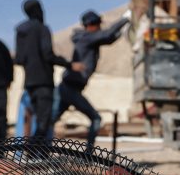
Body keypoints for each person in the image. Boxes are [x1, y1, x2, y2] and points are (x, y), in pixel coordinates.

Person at [54, 10, 128, 145]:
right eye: (98, 25)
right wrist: (125, 19)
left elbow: (108, 38)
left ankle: (35, 151)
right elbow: (107, 34)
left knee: (50, 120)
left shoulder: (87, 39)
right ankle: (87, 156)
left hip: (69, 88)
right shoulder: (86, 37)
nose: (100, 28)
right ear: (91, 25)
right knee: (96, 119)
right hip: (70, 88)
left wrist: (123, 31)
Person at [14, 0, 82, 139]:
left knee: (35, 119)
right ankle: (35, 154)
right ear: (38, 10)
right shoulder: (42, 28)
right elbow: (48, 55)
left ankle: (35, 153)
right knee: (43, 121)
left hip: (29, 82)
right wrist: (70, 65)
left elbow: (19, 59)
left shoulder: (20, 31)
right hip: (44, 81)